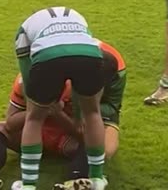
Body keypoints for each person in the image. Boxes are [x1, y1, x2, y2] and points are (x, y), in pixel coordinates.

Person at [13, 6, 107, 189]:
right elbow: (84, 47)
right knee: (93, 113)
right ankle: (97, 178)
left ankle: (28, 184)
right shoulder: (77, 16)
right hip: (90, 54)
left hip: (48, 57)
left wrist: (35, 100)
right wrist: (78, 116)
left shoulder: (24, 29)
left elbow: (26, 72)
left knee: (33, 118)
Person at [0, 74, 77, 190]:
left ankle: (77, 180)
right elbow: (10, 123)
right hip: (30, 136)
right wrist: (37, 110)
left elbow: (85, 130)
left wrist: (59, 114)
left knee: (89, 141)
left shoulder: (78, 83)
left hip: (64, 138)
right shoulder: (24, 81)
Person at [54, 40, 127, 190]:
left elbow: (113, 106)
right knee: (82, 131)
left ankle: (75, 180)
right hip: (68, 103)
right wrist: (78, 117)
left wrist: (93, 113)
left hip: (101, 110)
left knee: (105, 149)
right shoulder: (73, 66)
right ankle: (76, 178)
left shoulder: (118, 72)